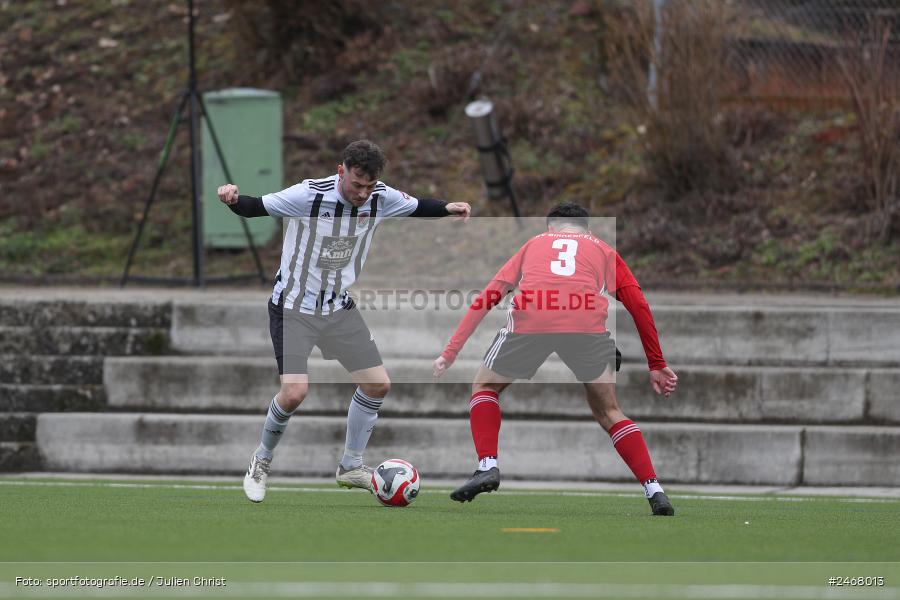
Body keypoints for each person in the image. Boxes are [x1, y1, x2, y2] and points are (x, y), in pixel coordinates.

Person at [218, 139, 471, 503]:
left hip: (337, 308)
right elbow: (255, 206)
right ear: (341, 171)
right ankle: (261, 459)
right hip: (293, 308)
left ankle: (351, 465)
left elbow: (417, 207)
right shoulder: (309, 194)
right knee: (294, 393)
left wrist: (447, 207)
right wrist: (231, 197)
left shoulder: (380, 197)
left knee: (377, 385)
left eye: (369, 186)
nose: (363, 193)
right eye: (357, 184)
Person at [432, 202, 678, 515]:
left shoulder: (534, 243)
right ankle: (654, 489)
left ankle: (487, 466)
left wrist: (450, 352)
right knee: (609, 411)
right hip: (585, 326)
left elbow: (488, 296)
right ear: (587, 229)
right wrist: (656, 364)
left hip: (532, 320)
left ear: (550, 228)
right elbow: (638, 304)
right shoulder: (603, 250)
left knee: (484, 388)